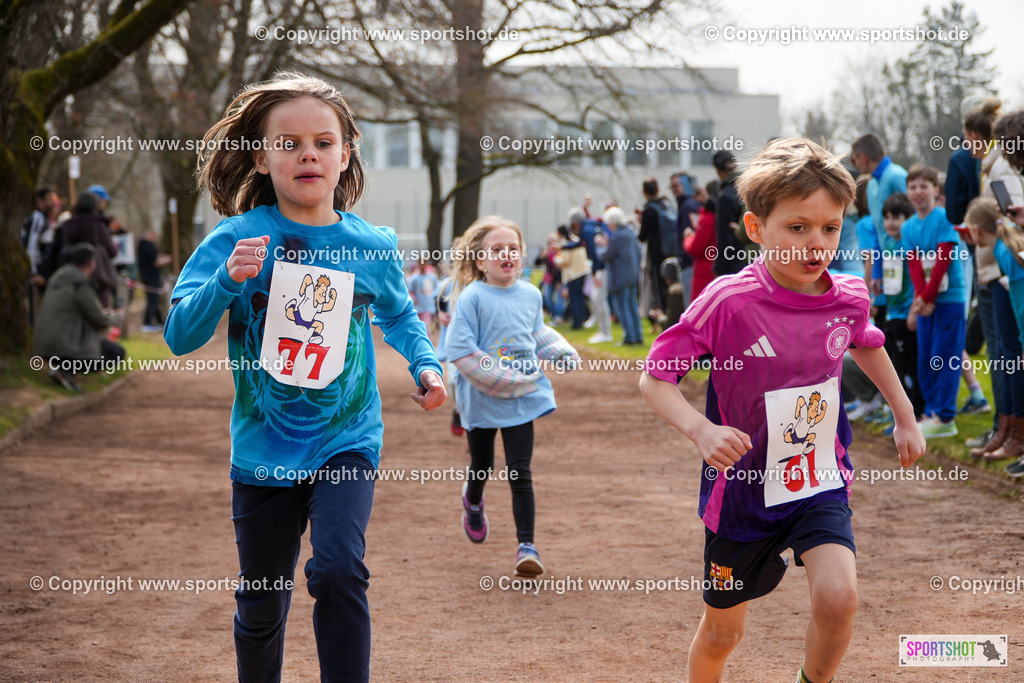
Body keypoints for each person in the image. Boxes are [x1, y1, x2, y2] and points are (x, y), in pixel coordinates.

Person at [164, 73, 446, 682]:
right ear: (262, 158)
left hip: (347, 438)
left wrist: (425, 363)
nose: (307, 154)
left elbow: (398, 313)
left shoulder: (368, 245)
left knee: (339, 569)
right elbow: (179, 336)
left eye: (323, 141)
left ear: (345, 155)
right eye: (288, 143)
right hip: (264, 449)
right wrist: (227, 283)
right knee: (263, 601)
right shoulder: (236, 238)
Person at [639, 138, 926, 683]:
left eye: (830, 228)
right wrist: (701, 430)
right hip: (742, 492)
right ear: (755, 228)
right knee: (725, 633)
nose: (815, 243)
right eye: (798, 228)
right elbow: (655, 380)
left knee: (839, 599)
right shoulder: (728, 301)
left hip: (817, 480)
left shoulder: (848, 295)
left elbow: (865, 341)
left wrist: (904, 413)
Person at [445, 215, 580, 577]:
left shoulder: (531, 294)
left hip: (522, 399)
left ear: (521, 258)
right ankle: (473, 500)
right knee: (483, 466)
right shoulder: (473, 297)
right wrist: (503, 379)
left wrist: (560, 350)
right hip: (483, 399)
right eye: (497, 249)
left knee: (521, 472)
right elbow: (460, 350)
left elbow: (535, 333)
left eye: (514, 249)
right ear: (481, 261)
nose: (507, 255)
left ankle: (527, 547)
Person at [902, 165, 968, 438]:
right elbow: (915, 265)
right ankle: (931, 412)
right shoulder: (908, 227)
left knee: (945, 356)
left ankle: (945, 417)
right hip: (926, 302)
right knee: (926, 357)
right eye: (913, 186)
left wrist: (928, 298)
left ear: (935, 190)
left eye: (923, 186)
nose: (918, 192)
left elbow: (943, 260)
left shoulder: (944, 218)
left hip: (949, 299)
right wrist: (921, 299)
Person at [964, 197, 1024, 465]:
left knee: (1015, 363)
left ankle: (1018, 437)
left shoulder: (1004, 251)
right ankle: (1010, 432)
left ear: (977, 229)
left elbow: (1021, 303)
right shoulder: (1003, 246)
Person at [32, 243, 125, 393]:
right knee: (116, 352)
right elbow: (100, 320)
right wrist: (116, 316)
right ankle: (65, 371)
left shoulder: (58, 277)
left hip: (44, 344)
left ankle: (65, 372)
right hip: (63, 346)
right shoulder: (79, 285)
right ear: (91, 263)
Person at [879, 193, 924, 422]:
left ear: (908, 218)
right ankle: (902, 415)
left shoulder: (908, 245)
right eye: (886, 217)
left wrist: (912, 311)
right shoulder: (887, 243)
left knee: (911, 365)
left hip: (907, 315)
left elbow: (917, 280)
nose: (891, 222)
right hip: (891, 313)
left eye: (896, 217)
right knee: (895, 367)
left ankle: (918, 411)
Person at [61, 191, 118, 308]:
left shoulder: (67, 225)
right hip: (96, 277)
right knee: (99, 312)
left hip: (71, 278)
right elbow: (111, 251)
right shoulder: (98, 225)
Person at [596, 206, 643, 345]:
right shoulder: (630, 234)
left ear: (611, 222)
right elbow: (639, 253)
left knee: (623, 308)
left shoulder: (617, 238)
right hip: (633, 275)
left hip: (620, 278)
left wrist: (600, 246)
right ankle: (638, 336)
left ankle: (629, 337)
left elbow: (604, 256)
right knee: (633, 306)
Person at [638, 177, 674, 328]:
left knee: (658, 290)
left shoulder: (649, 210)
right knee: (670, 287)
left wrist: (641, 220)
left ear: (644, 192)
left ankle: (664, 321)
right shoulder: (667, 205)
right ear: (658, 189)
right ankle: (672, 315)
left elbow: (642, 236)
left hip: (656, 255)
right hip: (671, 252)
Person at [711, 150, 746, 276]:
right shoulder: (747, 188)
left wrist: (719, 268)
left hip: (734, 263)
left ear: (718, 171)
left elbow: (724, 237)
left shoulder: (725, 196)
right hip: (753, 258)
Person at [684, 183, 717, 301]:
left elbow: (695, 248)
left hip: (705, 269)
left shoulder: (707, 218)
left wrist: (688, 238)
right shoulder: (717, 215)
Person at [554, 222, 590, 329]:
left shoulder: (566, 245)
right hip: (582, 272)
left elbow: (565, 261)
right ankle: (581, 319)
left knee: (574, 299)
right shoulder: (577, 240)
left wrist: (556, 259)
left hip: (573, 275)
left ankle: (577, 323)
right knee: (580, 299)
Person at [136, 228, 171, 332]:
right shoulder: (148, 247)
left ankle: (160, 322)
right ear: (151, 235)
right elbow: (155, 261)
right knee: (152, 300)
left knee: (154, 300)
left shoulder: (142, 246)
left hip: (147, 276)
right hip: (150, 277)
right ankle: (146, 323)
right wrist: (167, 260)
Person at [534, 234, 566, 322]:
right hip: (548, 279)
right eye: (549, 242)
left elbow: (559, 269)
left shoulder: (560, 252)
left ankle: (559, 316)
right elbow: (537, 263)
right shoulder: (546, 252)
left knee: (560, 298)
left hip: (559, 279)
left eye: (553, 241)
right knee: (547, 297)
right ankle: (554, 315)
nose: (551, 244)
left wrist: (559, 282)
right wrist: (542, 256)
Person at [408, 257, 440, 332]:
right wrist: (414, 299)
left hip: (428, 306)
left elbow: (437, 288)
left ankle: (427, 341)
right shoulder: (414, 278)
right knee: (418, 327)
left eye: (424, 262)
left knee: (426, 325)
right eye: (420, 263)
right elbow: (410, 291)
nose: (422, 265)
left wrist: (432, 296)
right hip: (418, 308)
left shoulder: (432, 277)